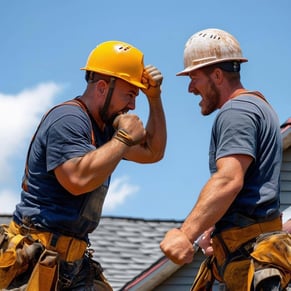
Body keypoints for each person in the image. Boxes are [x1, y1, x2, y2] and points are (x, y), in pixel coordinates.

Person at [0, 40, 166, 290]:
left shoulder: (107, 128)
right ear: (102, 87)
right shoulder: (68, 119)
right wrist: (121, 139)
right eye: (129, 94)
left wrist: (155, 98)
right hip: (36, 257)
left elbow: (153, 151)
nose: (132, 105)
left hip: (74, 260)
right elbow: (76, 181)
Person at [160, 28, 290, 290]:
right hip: (251, 254)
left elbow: (229, 179)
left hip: (248, 258)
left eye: (194, 77)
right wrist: (215, 226)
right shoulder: (259, 107)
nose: (190, 88)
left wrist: (185, 235)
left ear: (217, 75)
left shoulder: (236, 112)